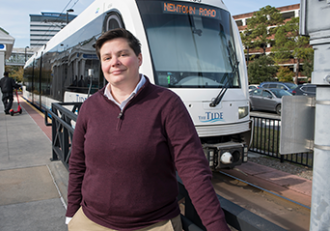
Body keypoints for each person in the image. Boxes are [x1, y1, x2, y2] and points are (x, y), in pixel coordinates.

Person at [66, 28, 230, 231]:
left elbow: (193, 169)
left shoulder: (167, 104)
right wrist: (72, 212)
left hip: (153, 225)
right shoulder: (90, 106)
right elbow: (77, 164)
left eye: (123, 54)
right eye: (107, 58)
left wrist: (216, 226)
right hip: (91, 222)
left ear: (139, 58)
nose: (114, 62)